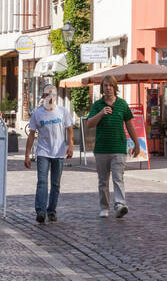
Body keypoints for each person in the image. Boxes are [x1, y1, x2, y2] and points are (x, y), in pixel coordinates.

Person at [83, 79, 140, 218]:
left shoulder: (122, 104)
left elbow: (130, 125)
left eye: (111, 86)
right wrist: (101, 113)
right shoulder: (97, 105)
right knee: (103, 180)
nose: (108, 88)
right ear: (102, 88)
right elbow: (89, 124)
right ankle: (104, 207)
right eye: (105, 86)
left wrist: (136, 144)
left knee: (118, 178)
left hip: (118, 147)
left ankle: (120, 205)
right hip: (102, 148)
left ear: (115, 88)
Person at [24, 85, 74, 224]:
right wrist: (27, 155)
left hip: (58, 152)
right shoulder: (37, 113)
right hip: (43, 152)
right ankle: (40, 211)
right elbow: (31, 135)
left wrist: (70, 146)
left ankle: (51, 210)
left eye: (52, 95)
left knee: (56, 184)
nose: (50, 97)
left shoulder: (63, 111)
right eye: (47, 95)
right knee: (42, 182)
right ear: (43, 96)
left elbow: (70, 130)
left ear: (56, 96)